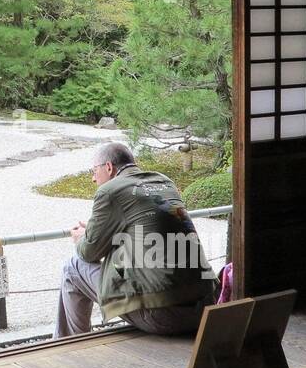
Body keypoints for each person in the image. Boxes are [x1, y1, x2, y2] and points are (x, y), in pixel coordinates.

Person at [54, 141, 215, 339]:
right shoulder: (164, 181)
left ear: (109, 167)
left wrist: (81, 239)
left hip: (165, 315)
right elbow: (145, 230)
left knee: (73, 267)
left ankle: (71, 344)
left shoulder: (109, 191)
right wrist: (96, 233)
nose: (93, 179)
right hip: (204, 307)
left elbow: (89, 252)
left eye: (93, 171)